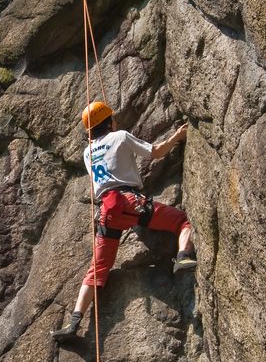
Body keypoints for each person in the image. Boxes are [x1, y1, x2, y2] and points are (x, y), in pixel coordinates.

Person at [52, 101, 197, 342]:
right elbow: (156, 151)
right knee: (182, 221)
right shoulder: (119, 136)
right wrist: (177, 137)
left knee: (97, 270)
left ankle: (73, 323)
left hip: (107, 213)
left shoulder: (87, 152)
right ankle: (184, 256)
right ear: (108, 122)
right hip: (128, 202)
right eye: (112, 118)